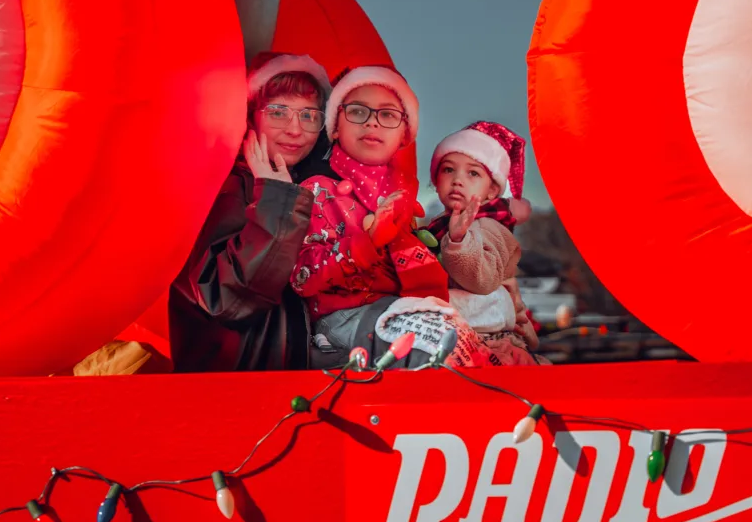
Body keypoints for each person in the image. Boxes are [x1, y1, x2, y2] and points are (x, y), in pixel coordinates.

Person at [290, 64, 462, 368]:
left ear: (404, 134)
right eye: (358, 111)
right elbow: (301, 277)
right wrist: (366, 242)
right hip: (343, 316)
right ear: (335, 126)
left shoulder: (403, 199)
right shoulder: (316, 190)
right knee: (430, 352)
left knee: (462, 346)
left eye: (387, 114)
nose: (372, 123)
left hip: (399, 309)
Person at [168, 52, 332, 372]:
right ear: (252, 116)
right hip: (235, 389)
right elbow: (225, 301)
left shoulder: (313, 188)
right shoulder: (226, 187)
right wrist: (277, 203)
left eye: (309, 115)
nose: (295, 130)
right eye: (278, 112)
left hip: (288, 386)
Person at [425, 121, 544, 365]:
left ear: (492, 191)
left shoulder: (492, 228)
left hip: (486, 338)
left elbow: (483, 280)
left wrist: (459, 242)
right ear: (436, 181)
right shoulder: (435, 228)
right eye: (448, 170)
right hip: (450, 334)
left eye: (473, 173)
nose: (458, 180)